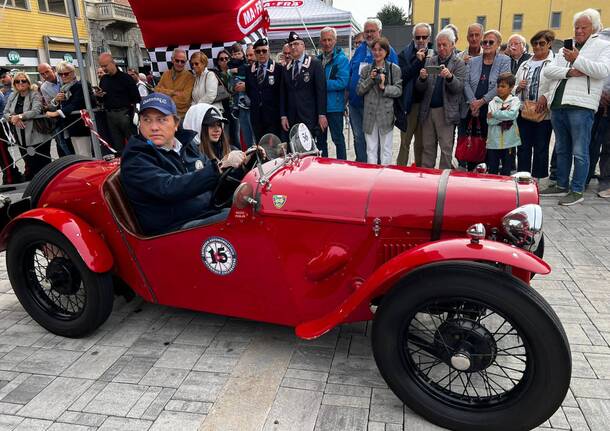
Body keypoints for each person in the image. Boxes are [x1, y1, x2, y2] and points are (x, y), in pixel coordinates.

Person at [120, 94, 247, 235]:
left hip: (204, 213)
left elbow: (213, 181)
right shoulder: (136, 157)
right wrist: (220, 167)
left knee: (251, 209)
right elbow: (169, 187)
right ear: (140, 124)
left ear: (175, 124)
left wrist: (243, 167)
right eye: (147, 120)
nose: (154, 127)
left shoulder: (186, 145)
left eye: (162, 120)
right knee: (243, 218)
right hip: (173, 230)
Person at [539, 9, 610, 205]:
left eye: (583, 27)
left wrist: (577, 59)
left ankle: (577, 189)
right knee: (562, 148)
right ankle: (561, 185)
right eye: (576, 27)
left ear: (594, 28)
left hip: (582, 105)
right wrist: (570, 71)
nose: (578, 30)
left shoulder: (604, 46)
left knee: (580, 150)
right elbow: (549, 71)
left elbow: (603, 71)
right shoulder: (566, 47)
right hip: (559, 104)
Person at [348, 18, 398, 162]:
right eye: (366, 31)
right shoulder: (360, 49)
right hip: (356, 104)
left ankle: (376, 172)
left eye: (372, 31)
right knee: (359, 139)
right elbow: (352, 72)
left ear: (379, 32)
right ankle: (362, 167)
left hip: (374, 105)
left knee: (376, 143)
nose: (369, 34)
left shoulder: (389, 51)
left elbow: (394, 78)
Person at [416, 29, 467, 169]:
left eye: (444, 45)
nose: (441, 48)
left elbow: (459, 89)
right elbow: (420, 89)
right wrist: (421, 78)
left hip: (446, 113)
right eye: (439, 45)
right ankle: (427, 179)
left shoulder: (459, 63)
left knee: (446, 149)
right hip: (428, 111)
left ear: (452, 45)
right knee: (428, 148)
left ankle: (443, 181)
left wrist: (450, 77)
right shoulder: (430, 61)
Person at [460, 29, 511, 170]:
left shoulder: (504, 60)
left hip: (492, 109)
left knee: (491, 145)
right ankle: (472, 172)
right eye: (485, 42)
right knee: (474, 142)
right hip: (473, 109)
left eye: (491, 42)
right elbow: (465, 82)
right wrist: (473, 103)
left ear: (498, 44)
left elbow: (502, 83)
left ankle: (490, 174)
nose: (487, 44)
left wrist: (481, 101)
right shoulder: (473, 61)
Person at [514, 30, 555, 179]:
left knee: (541, 147)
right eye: (535, 44)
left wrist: (546, 96)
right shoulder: (525, 64)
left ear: (549, 44)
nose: (538, 46)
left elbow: (557, 85)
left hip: (543, 112)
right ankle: (523, 176)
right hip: (524, 110)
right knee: (523, 148)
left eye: (542, 43)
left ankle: (539, 178)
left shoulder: (555, 62)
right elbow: (514, 86)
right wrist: (519, 87)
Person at [357, 37, 402, 165]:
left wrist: (384, 87)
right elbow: (359, 90)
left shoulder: (394, 69)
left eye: (380, 49)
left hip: (386, 114)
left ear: (386, 51)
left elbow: (399, 90)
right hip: (369, 114)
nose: (377, 52)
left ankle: (384, 177)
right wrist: (370, 79)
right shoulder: (366, 69)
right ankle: (372, 176)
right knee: (370, 149)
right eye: (374, 50)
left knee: (386, 149)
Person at [3, 72, 52, 180]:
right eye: (17, 81)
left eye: (23, 80)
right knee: (30, 164)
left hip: (37, 135)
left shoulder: (34, 94)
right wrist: (12, 118)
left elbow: (35, 111)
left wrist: (19, 116)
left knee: (43, 164)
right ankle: (36, 189)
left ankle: (49, 186)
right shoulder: (13, 96)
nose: (20, 83)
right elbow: (5, 112)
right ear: (14, 84)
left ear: (28, 82)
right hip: (21, 137)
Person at [280, 32, 327, 140]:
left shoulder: (315, 64)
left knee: (311, 149)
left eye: (296, 44)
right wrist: (283, 116)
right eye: (291, 45)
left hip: (309, 116)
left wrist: (321, 115)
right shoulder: (287, 68)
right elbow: (283, 94)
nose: (293, 47)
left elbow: (321, 91)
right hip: (292, 117)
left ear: (303, 46)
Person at [397, 22, 431, 166]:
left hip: (427, 105)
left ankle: (420, 175)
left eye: (424, 37)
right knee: (405, 142)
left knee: (421, 144)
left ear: (429, 38)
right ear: (413, 38)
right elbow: (402, 77)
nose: (421, 40)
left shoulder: (434, 54)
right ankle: (400, 172)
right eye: (418, 37)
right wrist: (417, 61)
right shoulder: (405, 54)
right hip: (409, 104)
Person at [46, 61, 96, 157]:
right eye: (60, 74)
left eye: (66, 73)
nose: (63, 76)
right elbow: (65, 105)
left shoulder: (81, 85)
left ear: (73, 72)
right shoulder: (65, 87)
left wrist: (56, 113)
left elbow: (76, 104)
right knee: (78, 154)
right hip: (71, 126)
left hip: (81, 125)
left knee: (85, 154)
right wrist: (57, 100)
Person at [96, 53, 140, 153]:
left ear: (113, 63)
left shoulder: (126, 78)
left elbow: (136, 98)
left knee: (132, 143)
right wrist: (99, 96)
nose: (103, 69)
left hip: (125, 114)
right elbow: (101, 100)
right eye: (102, 66)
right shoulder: (104, 79)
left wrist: (134, 114)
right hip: (110, 115)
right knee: (117, 145)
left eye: (105, 66)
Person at [317, 27, 349, 159]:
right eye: (324, 40)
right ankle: (322, 167)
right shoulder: (317, 60)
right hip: (320, 108)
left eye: (330, 39)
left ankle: (342, 168)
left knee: (337, 139)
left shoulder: (341, 59)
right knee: (320, 141)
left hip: (334, 106)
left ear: (335, 41)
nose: (327, 43)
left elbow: (342, 82)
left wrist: (321, 84)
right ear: (320, 41)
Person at [245, 38, 283, 141]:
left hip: (273, 117)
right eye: (258, 51)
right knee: (260, 147)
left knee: (274, 148)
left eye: (264, 51)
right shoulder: (249, 70)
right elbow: (249, 90)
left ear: (269, 51)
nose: (261, 54)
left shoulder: (278, 69)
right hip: (256, 116)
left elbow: (281, 93)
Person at [486, 73, 521, 175]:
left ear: (511, 88)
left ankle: (505, 189)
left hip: (509, 142)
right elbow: (489, 121)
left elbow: (512, 115)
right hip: (493, 142)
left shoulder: (515, 101)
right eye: (498, 86)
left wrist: (495, 114)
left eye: (503, 86)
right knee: (492, 169)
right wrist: (504, 116)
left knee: (506, 169)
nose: (499, 89)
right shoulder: (492, 102)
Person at [228, 43, 255, 148]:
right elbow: (230, 87)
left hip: (253, 108)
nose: (249, 58)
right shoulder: (243, 67)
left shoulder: (251, 67)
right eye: (248, 55)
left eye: (251, 55)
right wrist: (234, 86)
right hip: (241, 107)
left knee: (255, 140)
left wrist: (246, 86)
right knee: (248, 141)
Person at [155, 48, 195, 119]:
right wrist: (173, 92)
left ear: (186, 62)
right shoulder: (165, 74)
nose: (179, 64)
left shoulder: (190, 77)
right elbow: (156, 91)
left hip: (181, 117)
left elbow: (184, 100)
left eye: (182, 61)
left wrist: (164, 96)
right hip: (163, 115)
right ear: (172, 59)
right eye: (177, 60)